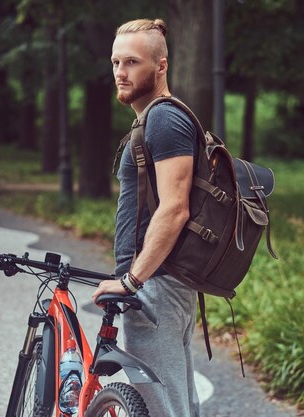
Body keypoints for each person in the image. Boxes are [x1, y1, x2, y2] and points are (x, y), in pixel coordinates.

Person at [91, 19, 200, 417]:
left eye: (132, 62)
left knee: (161, 407)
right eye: (116, 62)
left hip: (156, 285)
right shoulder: (152, 118)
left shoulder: (163, 119)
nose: (120, 72)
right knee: (176, 403)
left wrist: (132, 281)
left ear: (160, 65)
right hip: (161, 283)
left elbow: (175, 207)